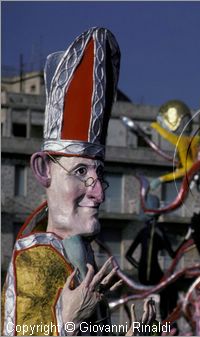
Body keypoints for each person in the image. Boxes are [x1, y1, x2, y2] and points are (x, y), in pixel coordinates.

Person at [1, 27, 154, 336]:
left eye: (99, 175)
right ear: (44, 170)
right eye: (81, 172)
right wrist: (69, 320)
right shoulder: (35, 258)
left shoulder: (81, 254)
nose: (97, 192)